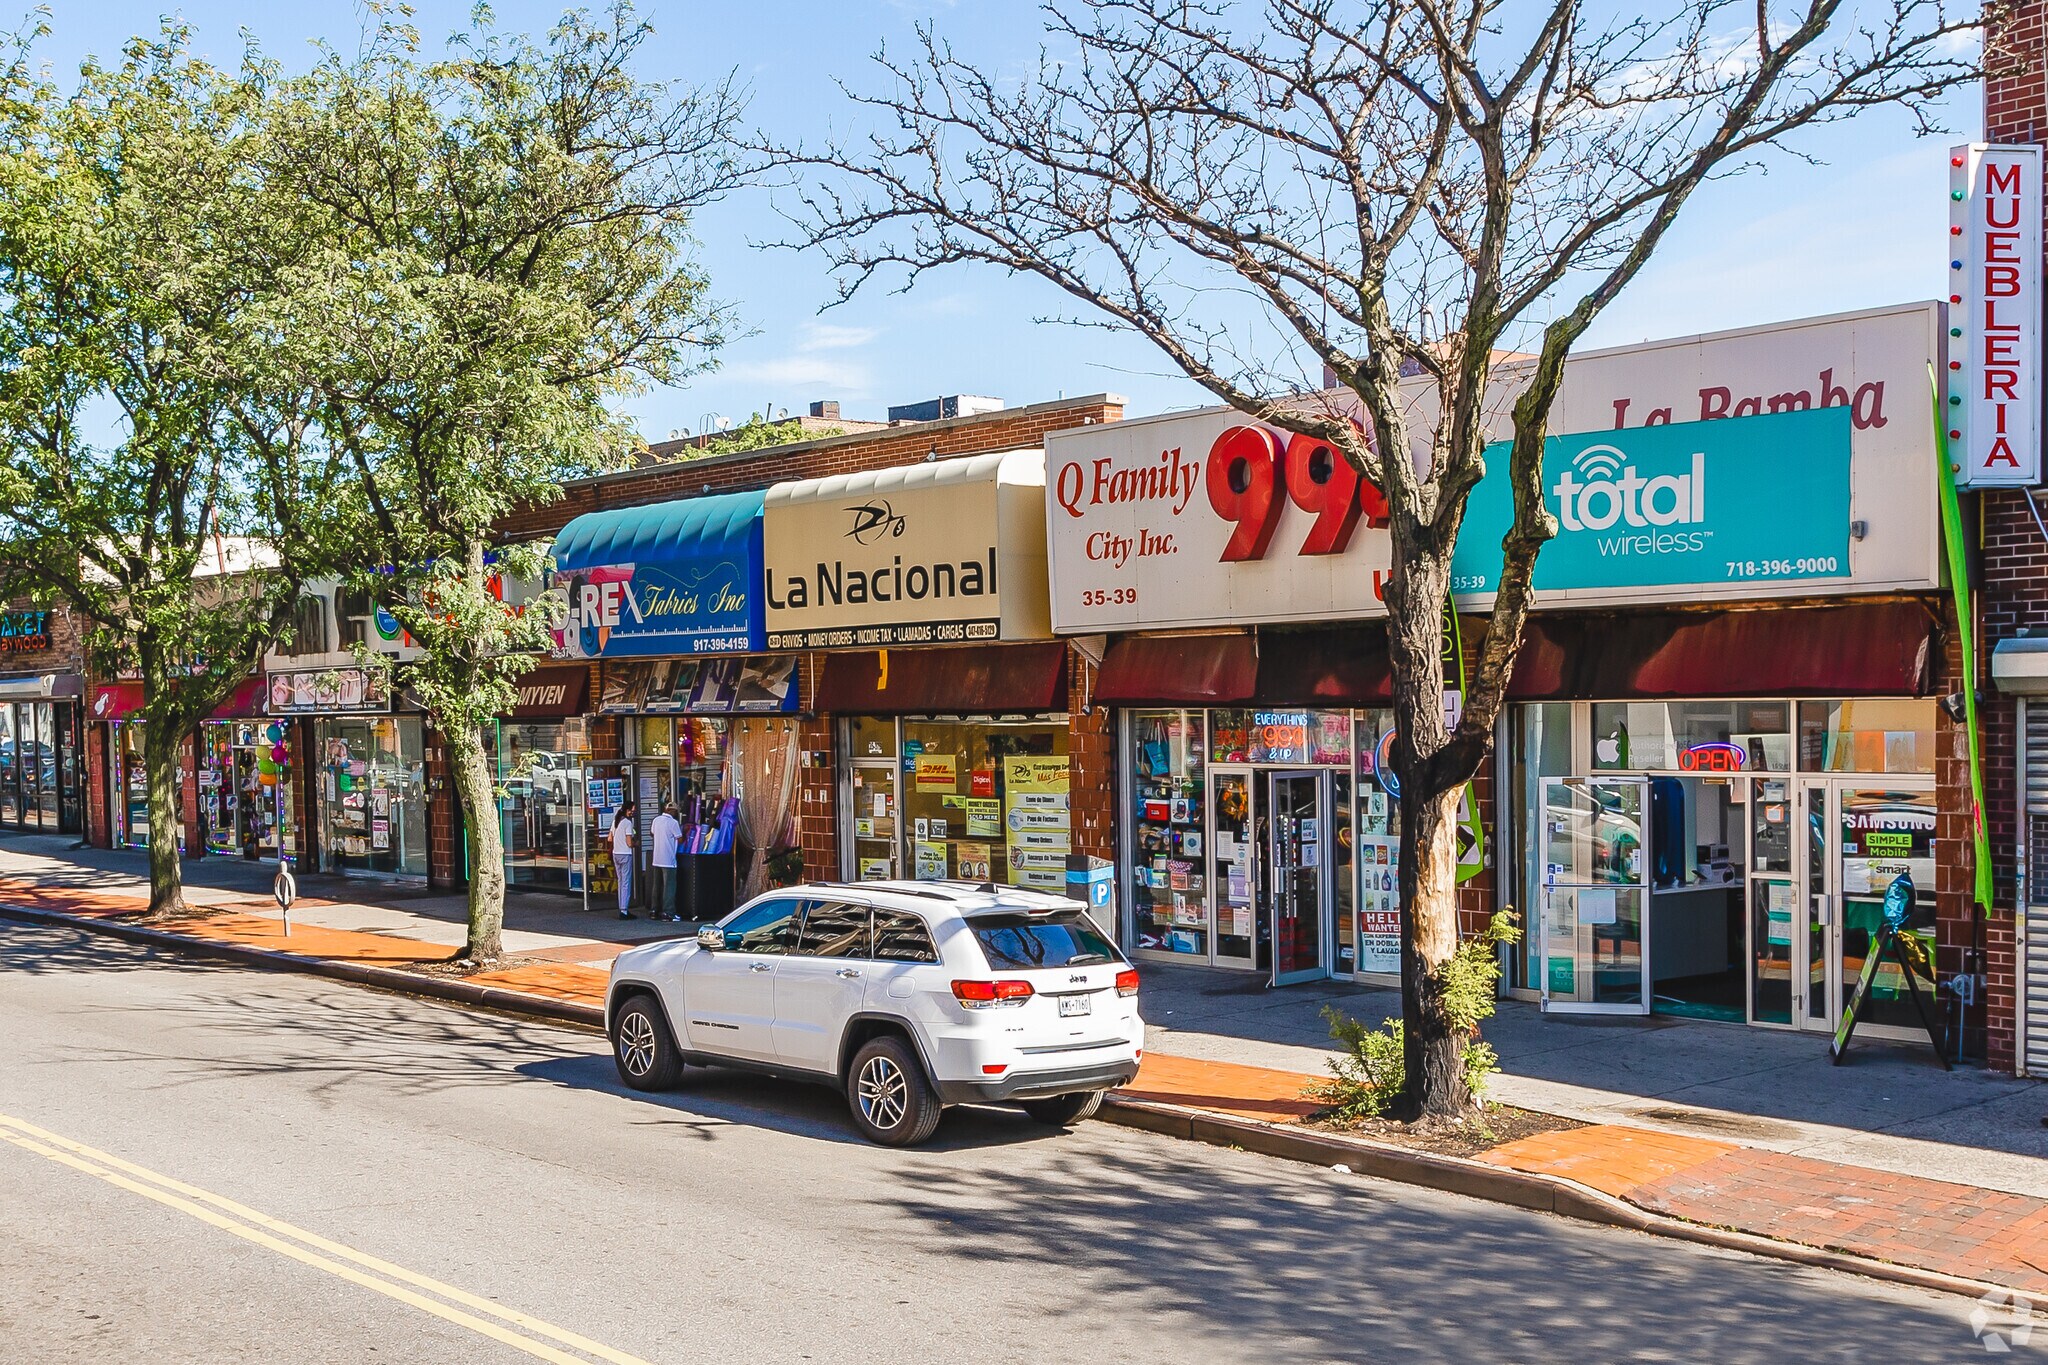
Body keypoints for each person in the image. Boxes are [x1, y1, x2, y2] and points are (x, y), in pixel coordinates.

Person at [649, 802, 684, 922]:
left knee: (656, 886)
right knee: (669, 887)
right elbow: (680, 839)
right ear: (674, 812)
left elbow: (652, 833)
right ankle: (668, 912)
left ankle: (654, 910)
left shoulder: (656, 820)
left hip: (657, 858)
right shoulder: (673, 823)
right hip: (669, 859)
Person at [611, 800, 638, 919]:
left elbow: (609, 839)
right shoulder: (627, 823)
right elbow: (629, 843)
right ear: (628, 810)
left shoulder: (616, 822)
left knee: (620, 881)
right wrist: (635, 843)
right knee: (626, 882)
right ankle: (624, 910)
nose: (633, 812)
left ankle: (621, 907)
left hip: (616, 853)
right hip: (625, 854)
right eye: (632, 810)